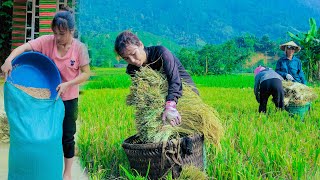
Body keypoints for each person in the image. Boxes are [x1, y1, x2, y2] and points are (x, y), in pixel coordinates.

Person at [1, 7, 90, 180]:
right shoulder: (47, 41)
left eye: (62, 34)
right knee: (42, 135)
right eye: (55, 33)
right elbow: (25, 47)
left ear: (72, 31)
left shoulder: (80, 49)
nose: (57, 38)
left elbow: (86, 73)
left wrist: (68, 84)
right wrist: (9, 59)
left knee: (66, 135)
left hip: (68, 98)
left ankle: (67, 172)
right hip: (47, 99)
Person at [114, 30, 199, 126]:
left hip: (183, 94)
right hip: (161, 101)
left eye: (133, 53)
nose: (132, 60)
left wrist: (170, 106)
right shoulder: (133, 69)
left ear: (140, 44)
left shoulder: (161, 53)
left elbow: (175, 80)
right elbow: (144, 93)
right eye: (126, 58)